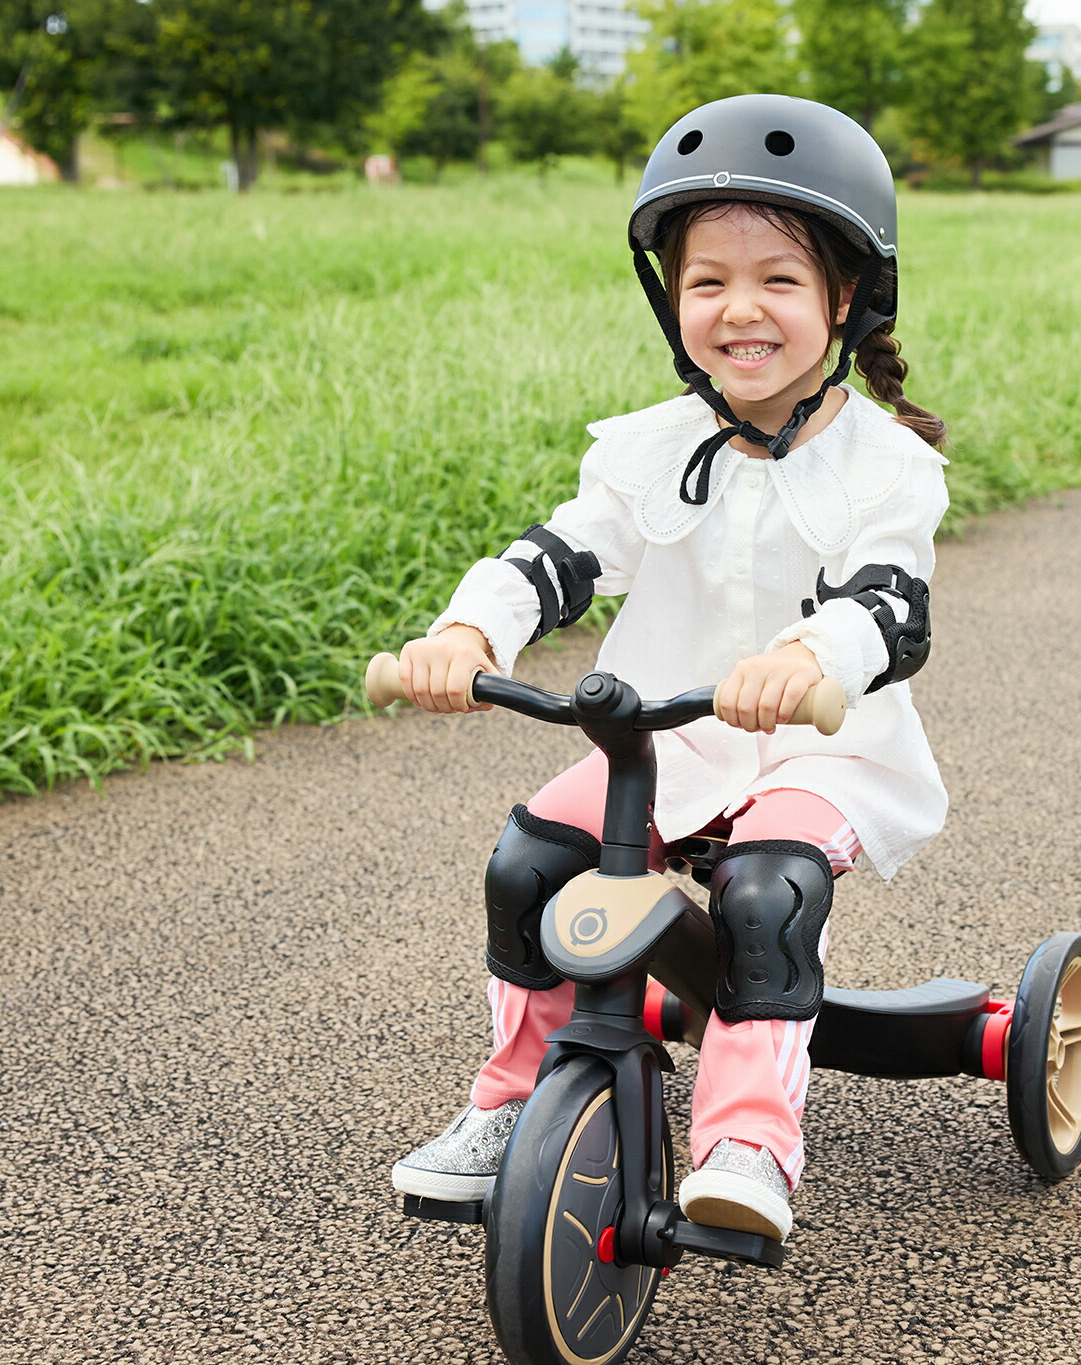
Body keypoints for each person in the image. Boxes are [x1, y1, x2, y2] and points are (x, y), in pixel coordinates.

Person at [389, 94, 949, 1244]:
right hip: (673, 736)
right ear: (670, 299)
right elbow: (558, 557)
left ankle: (747, 1143)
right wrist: (470, 635)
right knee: (531, 864)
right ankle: (511, 1103)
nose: (740, 308)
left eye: (779, 280)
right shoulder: (649, 448)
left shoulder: (886, 466)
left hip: (819, 748)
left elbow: (891, 606)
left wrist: (808, 654)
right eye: (707, 282)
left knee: (765, 896)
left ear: (846, 297)